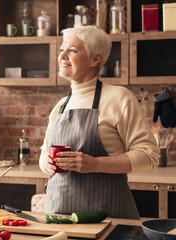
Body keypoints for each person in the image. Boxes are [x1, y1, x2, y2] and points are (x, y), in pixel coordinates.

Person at [39, 26, 159, 219]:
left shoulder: (120, 98)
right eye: (62, 49)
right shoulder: (61, 106)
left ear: (95, 59)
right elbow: (43, 152)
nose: (62, 55)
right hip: (59, 218)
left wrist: (94, 164)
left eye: (73, 50)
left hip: (109, 219)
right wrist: (46, 162)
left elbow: (149, 155)